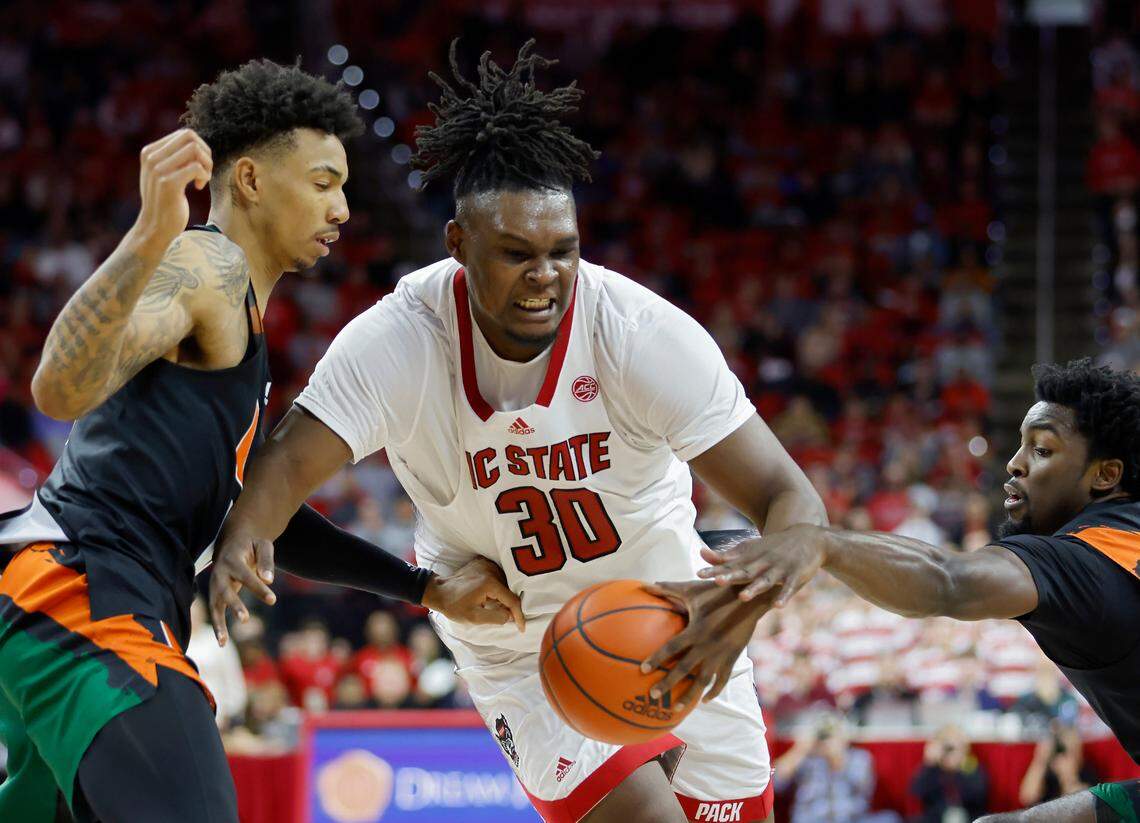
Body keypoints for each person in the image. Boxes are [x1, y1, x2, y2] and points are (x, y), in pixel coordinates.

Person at [210, 40, 826, 823]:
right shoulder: (398, 340)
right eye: (517, 253)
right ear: (459, 247)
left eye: (562, 251)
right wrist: (244, 538)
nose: (546, 276)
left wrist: (743, 598)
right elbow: (281, 469)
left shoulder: (638, 334)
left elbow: (789, 499)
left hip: (670, 615)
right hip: (515, 640)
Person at [0, 60, 519, 822]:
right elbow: (59, 388)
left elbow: (260, 509)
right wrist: (150, 233)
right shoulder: (207, 263)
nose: (342, 207)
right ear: (247, 178)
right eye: (322, 181)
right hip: (81, 590)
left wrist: (419, 587)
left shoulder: (239, 322)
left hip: (77, 596)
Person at [648, 360, 1140, 823]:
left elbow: (948, 580)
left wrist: (823, 543)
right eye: (1021, 445)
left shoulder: (1083, 561)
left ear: (1106, 475)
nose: (1013, 464)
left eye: (1042, 450)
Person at [772, 714, 900, 823]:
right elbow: (776, 784)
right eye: (823, 735)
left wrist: (836, 756)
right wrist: (800, 749)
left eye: (831, 734)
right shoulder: (804, 757)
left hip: (851, 819)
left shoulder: (859, 758)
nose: (826, 740)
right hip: (812, 819)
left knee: (890, 818)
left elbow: (863, 788)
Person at [910, 724, 989, 823]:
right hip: (935, 818)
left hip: (968, 817)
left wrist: (959, 766)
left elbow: (978, 795)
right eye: (946, 748)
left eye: (952, 748)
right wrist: (929, 763)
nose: (948, 753)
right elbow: (916, 792)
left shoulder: (969, 764)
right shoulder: (932, 769)